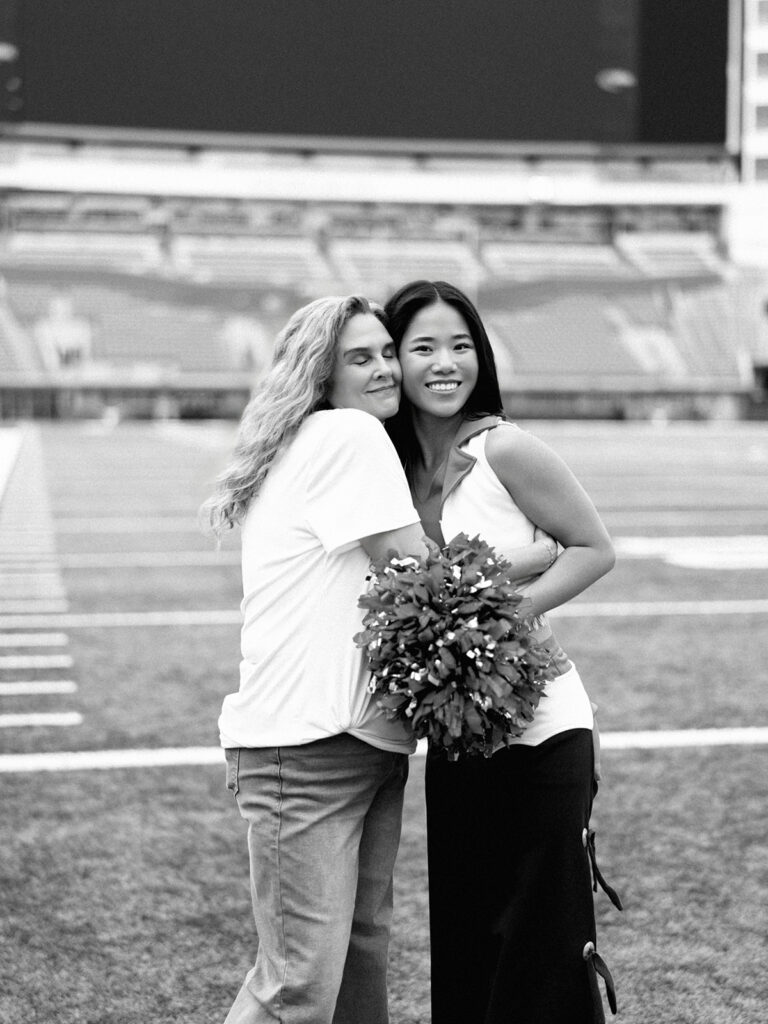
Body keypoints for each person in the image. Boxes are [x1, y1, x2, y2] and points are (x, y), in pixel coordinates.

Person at [383, 280, 621, 1024]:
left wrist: (497, 615)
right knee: (467, 934)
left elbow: (593, 549)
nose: (445, 362)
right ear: (395, 362)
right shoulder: (387, 470)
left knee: (545, 941)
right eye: (423, 347)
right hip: (460, 737)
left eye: (461, 345)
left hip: (545, 727)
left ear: (481, 358)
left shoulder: (504, 448)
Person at [203, 295, 430, 1024]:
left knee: (357, 962)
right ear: (321, 376)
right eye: (359, 358)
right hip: (305, 749)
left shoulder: (318, 439)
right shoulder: (346, 435)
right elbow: (414, 566)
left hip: (356, 741)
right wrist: (541, 553)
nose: (385, 369)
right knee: (297, 987)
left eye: (387, 352)